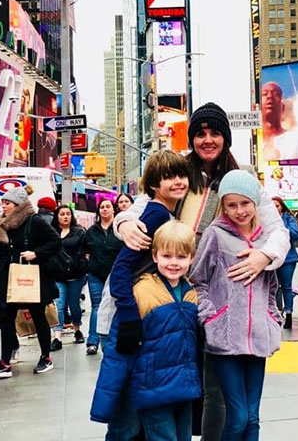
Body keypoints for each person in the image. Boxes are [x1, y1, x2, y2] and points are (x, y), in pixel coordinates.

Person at [112, 101, 290, 441]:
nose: (207, 140)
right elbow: (139, 207)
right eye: (200, 134)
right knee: (165, 378)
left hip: (217, 297)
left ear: (226, 138)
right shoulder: (179, 172)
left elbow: (277, 231)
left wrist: (265, 256)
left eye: (215, 133)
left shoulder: (242, 179)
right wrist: (123, 224)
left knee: (216, 390)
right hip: (168, 292)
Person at [91, 149, 193, 440]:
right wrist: (130, 318)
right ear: (153, 184)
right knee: (126, 418)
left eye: (181, 175)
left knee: (131, 412)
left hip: (138, 316)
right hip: (130, 318)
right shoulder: (158, 213)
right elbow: (123, 269)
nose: (177, 181)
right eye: (168, 177)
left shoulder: (164, 211)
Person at [190, 170, 282, 441]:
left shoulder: (268, 240)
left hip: (258, 340)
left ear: (255, 202)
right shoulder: (215, 235)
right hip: (225, 341)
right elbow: (198, 280)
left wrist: (272, 317)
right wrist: (211, 318)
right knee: (238, 417)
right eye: (232, 204)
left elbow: (272, 287)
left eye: (245, 203)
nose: (239, 211)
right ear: (223, 205)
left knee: (252, 419)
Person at [0, 186, 61, 378]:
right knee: (6, 318)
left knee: (38, 316)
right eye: (3, 202)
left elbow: (55, 241)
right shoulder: (4, 224)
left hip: (32, 277)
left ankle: (46, 357)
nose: (3, 206)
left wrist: (36, 253)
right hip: (10, 277)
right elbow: (2, 250)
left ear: (19, 205)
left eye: (8, 203)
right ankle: (5, 360)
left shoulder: (34, 221)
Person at [85, 198, 124, 354]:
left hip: (116, 275)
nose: (105, 209)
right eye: (102, 207)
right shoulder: (92, 231)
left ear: (114, 209)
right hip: (96, 274)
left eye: (108, 206)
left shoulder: (120, 229)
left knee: (114, 307)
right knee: (97, 307)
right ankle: (93, 342)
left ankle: (113, 338)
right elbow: (85, 250)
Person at [51, 204, 88, 350]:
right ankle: (57, 337)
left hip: (75, 275)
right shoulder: (52, 232)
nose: (65, 216)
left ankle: (77, 329)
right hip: (58, 275)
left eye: (68, 214)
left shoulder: (79, 232)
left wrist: (82, 263)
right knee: (59, 305)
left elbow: (86, 250)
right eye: (62, 214)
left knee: (74, 305)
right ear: (57, 217)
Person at [271, 196, 298, 330]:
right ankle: (275, 314)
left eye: (277, 206)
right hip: (271, 257)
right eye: (272, 206)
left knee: (286, 287)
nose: (274, 208)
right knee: (273, 287)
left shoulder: (288, 218)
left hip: (288, 258)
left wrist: (281, 227)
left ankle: (289, 315)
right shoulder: (265, 219)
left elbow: (295, 234)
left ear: (281, 206)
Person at [261, 82, 298, 161]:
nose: (270, 96)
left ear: (283, 107)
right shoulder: (250, 144)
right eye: (265, 94)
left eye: (276, 94)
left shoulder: (295, 140)